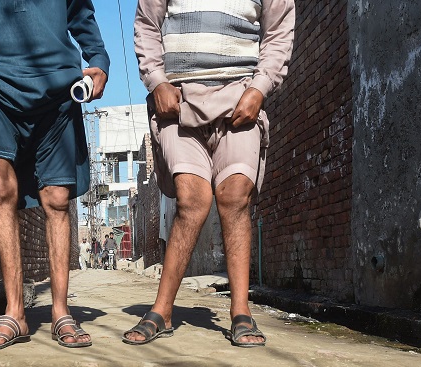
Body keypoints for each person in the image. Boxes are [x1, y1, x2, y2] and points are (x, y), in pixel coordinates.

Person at [0, 0, 110, 350]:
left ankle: (61, 312)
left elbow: (81, 12)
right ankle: (15, 313)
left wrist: (98, 59)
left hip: (57, 86)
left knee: (57, 198)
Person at [123, 0, 295, 347]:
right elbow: (146, 24)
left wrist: (259, 89)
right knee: (192, 200)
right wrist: (156, 81)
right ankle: (162, 310)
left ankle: (241, 312)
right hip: (178, 102)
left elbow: (278, 34)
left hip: (239, 100)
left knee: (235, 197)